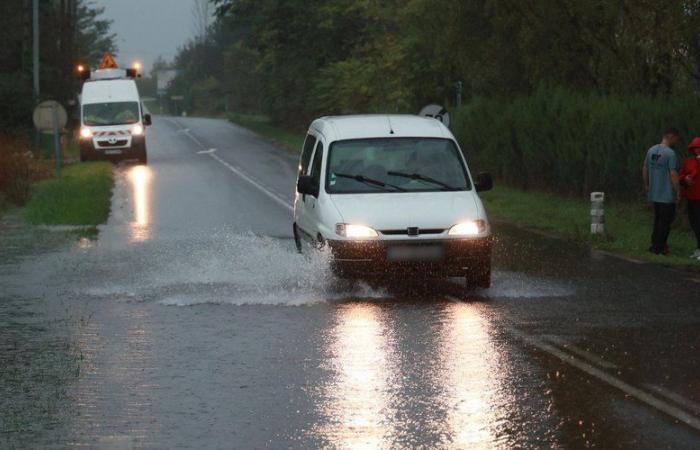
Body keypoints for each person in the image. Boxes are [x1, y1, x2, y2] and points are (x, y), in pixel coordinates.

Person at [643, 128, 681, 255]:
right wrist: (678, 191)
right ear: (671, 137)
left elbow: (645, 168)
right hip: (667, 194)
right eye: (676, 138)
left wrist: (647, 185)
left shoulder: (651, 150)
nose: (676, 141)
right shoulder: (670, 154)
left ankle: (654, 244)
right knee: (665, 222)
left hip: (655, 193)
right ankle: (658, 248)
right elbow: (673, 173)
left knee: (657, 219)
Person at [680, 138, 700, 259]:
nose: (697, 150)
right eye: (696, 148)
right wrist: (685, 178)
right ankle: (698, 249)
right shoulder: (688, 162)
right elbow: (681, 175)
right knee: (694, 223)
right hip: (691, 196)